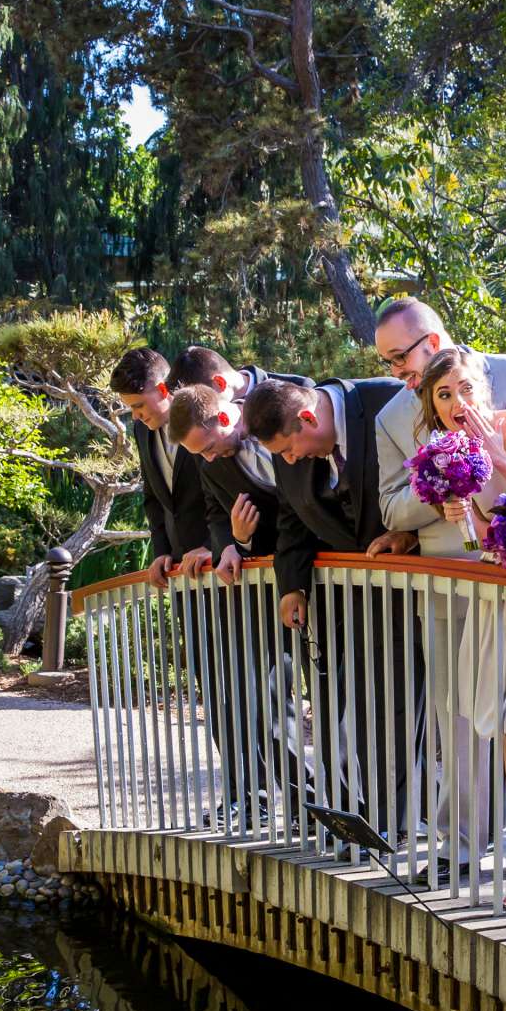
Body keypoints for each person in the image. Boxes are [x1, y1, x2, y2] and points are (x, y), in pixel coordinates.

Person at [369, 296, 506, 864]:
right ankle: (463, 843)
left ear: (432, 338)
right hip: (449, 577)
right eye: (387, 363)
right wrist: (439, 493)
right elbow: (391, 508)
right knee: (456, 713)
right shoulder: (391, 417)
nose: (398, 372)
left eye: (400, 356)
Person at [410, 346, 506, 913]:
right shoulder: (448, 452)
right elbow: (491, 540)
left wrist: (499, 458)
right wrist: (463, 516)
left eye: (465, 388)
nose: (458, 402)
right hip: (495, 593)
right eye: (444, 395)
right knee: (504, 728)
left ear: (487, 384)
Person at [243, 374, 419, 824]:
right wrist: (291, 585)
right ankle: (367, 814)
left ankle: (394, 819)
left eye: (288, 449)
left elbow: (434, 478)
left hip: (413, 593)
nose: (291, 458)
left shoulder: (389, 401)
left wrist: (411, 534)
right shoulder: (291, 444)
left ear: (307, 416)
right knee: (349, 712)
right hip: (344, 603)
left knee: (396, 712)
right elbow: (291, 519)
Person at [169, 376, 296, 824]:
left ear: (226, 416)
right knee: (257, 695)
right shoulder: (212, 459)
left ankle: (315, 804)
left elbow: (297, 510)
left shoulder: (277, 420)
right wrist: (228, 545)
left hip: (308, 576)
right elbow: (216, 512)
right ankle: (278, 801)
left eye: (209, 447)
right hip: (262, 587)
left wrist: (246, 540)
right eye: (199, 454)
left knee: (291, 702)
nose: (207, 458)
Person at [110, 348, 210, 585]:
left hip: (222, 563)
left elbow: (228, 491)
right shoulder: (142, 429)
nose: (135, 416)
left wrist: (212, 546)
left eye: (139, 405)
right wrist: (161, 552)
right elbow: (153, 495)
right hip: (178, 570)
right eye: (131, 408)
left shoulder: (205, 418)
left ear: (164, 389)